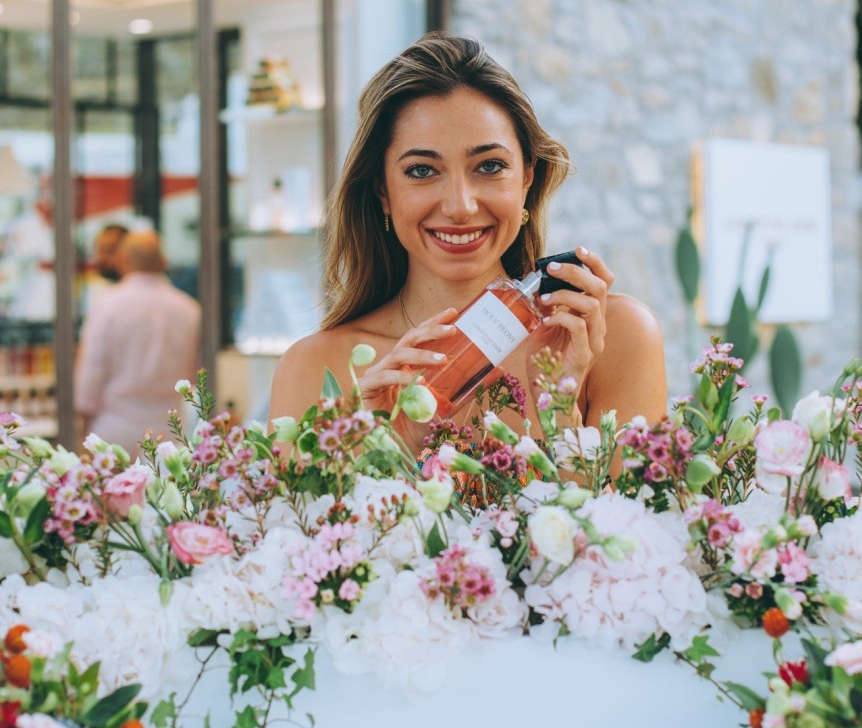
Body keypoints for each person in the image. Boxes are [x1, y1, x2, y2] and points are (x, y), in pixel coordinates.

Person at [269, 33, 667, 447]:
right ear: (382, 191)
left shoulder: (610, 340)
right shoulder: (318, 369)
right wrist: (390, 452)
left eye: (490, 166)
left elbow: (637, 514)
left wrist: (561, 413)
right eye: (422, 171)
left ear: (526, 179)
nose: (460, 206)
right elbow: (286, 514)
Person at [74, 229, 201, 455]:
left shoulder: (107, 305)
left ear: (124, 262)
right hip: (170, 433)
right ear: (163, 261)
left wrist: (83, 422)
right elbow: (195, 374)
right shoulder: (188, 309)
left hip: (113, 431)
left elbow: (90, 374)